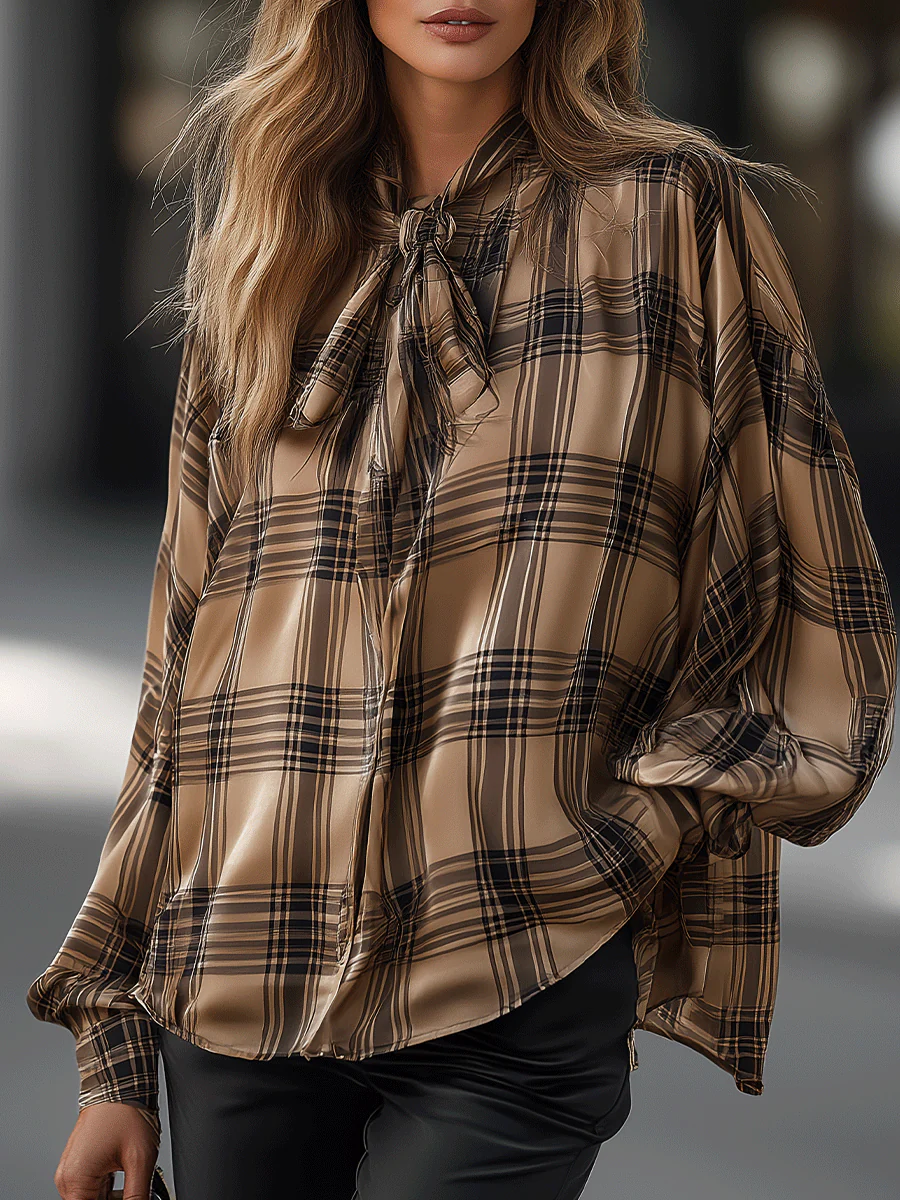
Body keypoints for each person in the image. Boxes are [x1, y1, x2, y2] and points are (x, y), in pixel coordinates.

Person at [27, 1, 897, 1198]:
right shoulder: (269, 221)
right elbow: (185, 658)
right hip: (234, 968)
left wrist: (625, 832)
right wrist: (113, 1041)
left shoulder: (669, 211)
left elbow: (817, 598)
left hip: (514, 964)